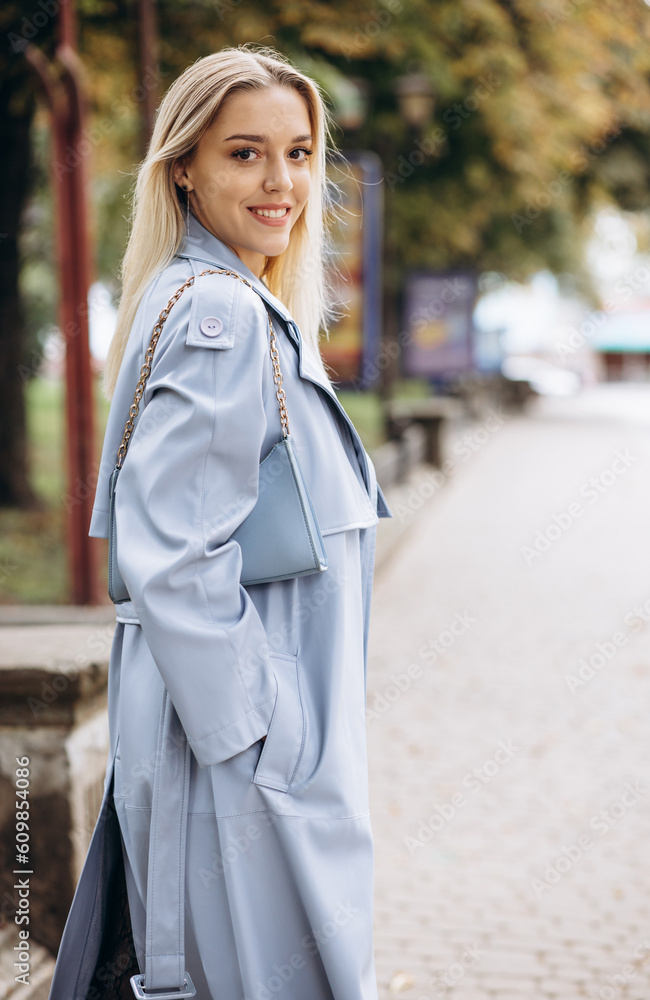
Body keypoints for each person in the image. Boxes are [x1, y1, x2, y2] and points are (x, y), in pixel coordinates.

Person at [46, 43, 393, 1000]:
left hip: (238, 742)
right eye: (244, 153)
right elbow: (171, 552)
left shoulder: (217, 297)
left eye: (298, 152)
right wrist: (265, 739)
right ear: (184, 169)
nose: (279, 181)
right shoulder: (222, 317)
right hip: (241, 755)